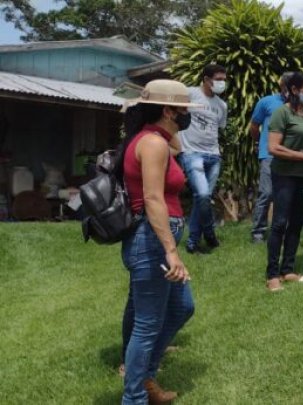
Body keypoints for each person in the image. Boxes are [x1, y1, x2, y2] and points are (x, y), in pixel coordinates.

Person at [119, 79, 200, 404]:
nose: (186, 116)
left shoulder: (157, 140)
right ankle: (135, 396)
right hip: (151, 240)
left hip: (154, 238)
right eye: (182, 110)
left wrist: (169, 128)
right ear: (168, 110)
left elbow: (177, 150)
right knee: (148, 323)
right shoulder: (151, 144)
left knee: (182, 306)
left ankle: (146, 379)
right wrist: (170, 249)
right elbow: (153, 198)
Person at [265, 73, 303, 292]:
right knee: (280, 223)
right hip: (285, 174)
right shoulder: (282, 113)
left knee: (297, 223)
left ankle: (288, 269)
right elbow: (273, 147)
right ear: (293, 90)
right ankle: (272, 274)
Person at [179, 63, 228, 253]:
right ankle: (209, 233)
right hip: (192, 153)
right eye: (218, 79)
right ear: (207, 79)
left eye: (224, 80)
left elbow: (220, 128)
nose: (222, 83)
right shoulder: (189, 94)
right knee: (203, 195)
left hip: (214, 156)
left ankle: (193, 242)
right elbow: (174, 114)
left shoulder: (221, 105)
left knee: (202, 199)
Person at [249, 72, 294, 244]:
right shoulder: (267, 102)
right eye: (286, 86)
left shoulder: (299, 107)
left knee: (285, 196)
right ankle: (258, 233)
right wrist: (260, 143)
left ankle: (280, 231)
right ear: (281, 86)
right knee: (266, 193)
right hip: (269, 155)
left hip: (290, 157)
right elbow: (254, 126)